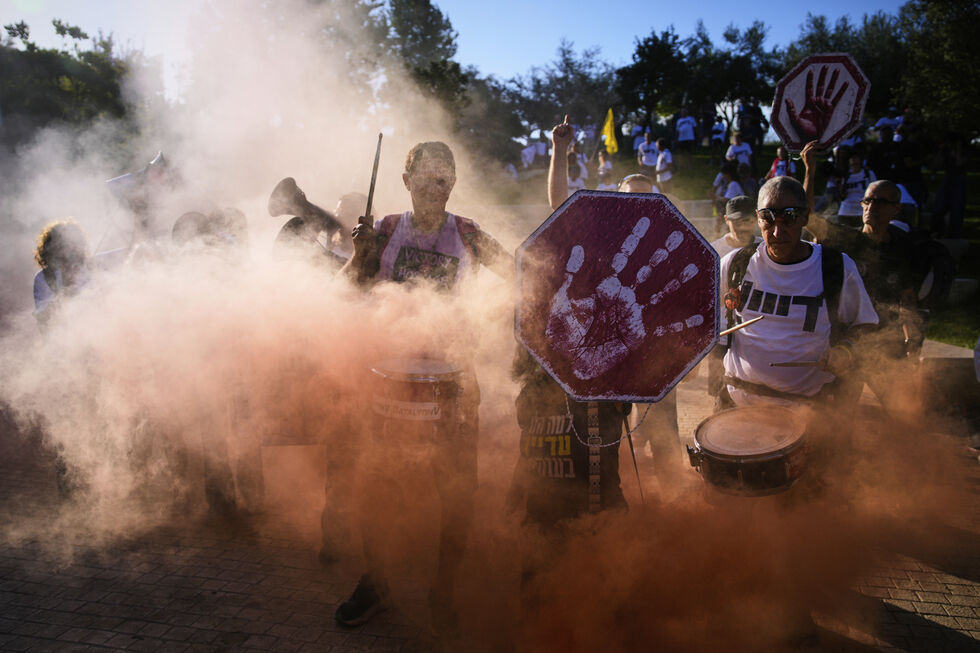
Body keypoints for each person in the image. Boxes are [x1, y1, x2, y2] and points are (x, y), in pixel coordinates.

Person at [336, 141, 512, 630]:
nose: (437, 186)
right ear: (406, 180)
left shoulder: (469, 234)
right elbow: (343, 294)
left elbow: (524, 277)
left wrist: (487, 320)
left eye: (445, 178)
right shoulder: (387, 230)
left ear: (453, 184)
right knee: (379, 484)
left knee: (457, 491)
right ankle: (376, 584)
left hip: (454, 383)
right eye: (428, 176)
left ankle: (444, 591)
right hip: (390, 384)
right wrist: (356, 256)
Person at [717, 176, 878, 410]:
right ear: (757, 217)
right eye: (768, 219)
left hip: (808, 412)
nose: (777, 232)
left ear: (805, 216)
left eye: (789, 217)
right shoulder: (736, 263)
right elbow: (703, 318)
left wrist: (845, 351)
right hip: (740, 404)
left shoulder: (835, 267)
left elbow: (866, 325)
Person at [801, 141, 923, 416]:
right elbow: (808, 219)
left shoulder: (902, 248)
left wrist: (913, 344)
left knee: (902, 412)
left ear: (896, 209)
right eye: (868, 200)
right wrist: (810, 170)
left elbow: (908, 300)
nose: (871, 207)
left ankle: (904, 456)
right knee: (839, 415)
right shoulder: (849, 240)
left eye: (881, 202)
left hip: (887, 347)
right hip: (850, 344)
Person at [832, 151, 876, 229]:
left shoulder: (868, 174)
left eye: (856, 159)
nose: (854, 161)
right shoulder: (846, 176)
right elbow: (842, 195)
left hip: (861, 211)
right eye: (852, 159)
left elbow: (874, 190)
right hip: (846, 210)